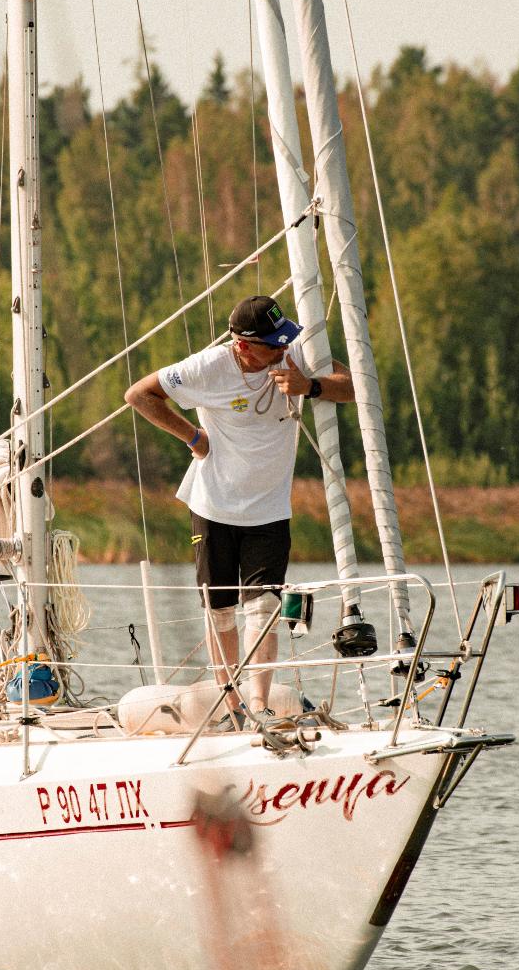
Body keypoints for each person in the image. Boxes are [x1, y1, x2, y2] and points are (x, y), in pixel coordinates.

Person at [125, 295, 354, 723]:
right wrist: (193, 437)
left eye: (284, 340)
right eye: (272, 346)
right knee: (220, 610)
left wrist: (310, 386)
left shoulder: (297, 353)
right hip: (213, 505)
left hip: (269, 509)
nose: (282, 351)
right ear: (244, 346)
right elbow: (139, 395)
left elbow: (354, 385)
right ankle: (232, 706)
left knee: (264, 608)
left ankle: (262, 706)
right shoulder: (207, 368)